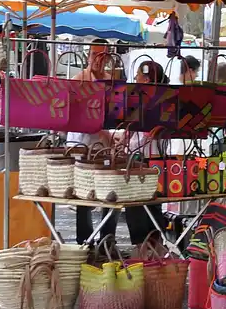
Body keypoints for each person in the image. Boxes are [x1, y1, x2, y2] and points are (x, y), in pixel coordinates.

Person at [69, 38, 118, 246]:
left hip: (104, 144)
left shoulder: (111, 81)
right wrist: (104, 132)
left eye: (101, 55)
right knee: (84, 193)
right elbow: (76, 115)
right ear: (88, 56)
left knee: (111, 190)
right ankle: (84, 241)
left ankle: (108, 239)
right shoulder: (78, 80)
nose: (97, 60)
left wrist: (113, 135)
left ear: (107, 58)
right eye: (93, 55)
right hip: (83, 142)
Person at [125, 60, 169, 250]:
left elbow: (147, 136)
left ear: (146, 79)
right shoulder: (152, 100)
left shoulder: (152, 103)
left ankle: (145, 248)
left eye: (138, 75)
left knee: (138, 204)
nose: (135, 78)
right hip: (149, 158)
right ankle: (152, 247)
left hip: (144, 159)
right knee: (150, 203)